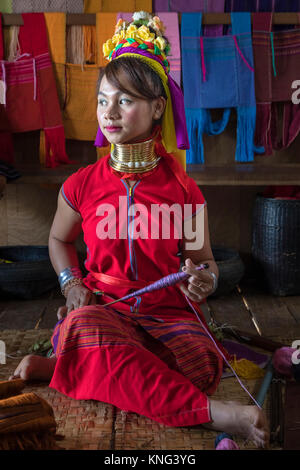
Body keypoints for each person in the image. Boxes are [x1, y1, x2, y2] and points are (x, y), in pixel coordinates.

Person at [10, 12, 269, 448]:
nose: (109, 113)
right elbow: (58, 240)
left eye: (125, 101)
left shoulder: (186, 191)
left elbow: (205, 262)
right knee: (85, 328)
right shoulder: (83, 184)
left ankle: (65, 368)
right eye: (103, 100)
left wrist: (206, 280)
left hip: (168, 316)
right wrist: (71, 282)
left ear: (158, 108)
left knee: (202, 363)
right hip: (105, 312)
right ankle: (217, 414)